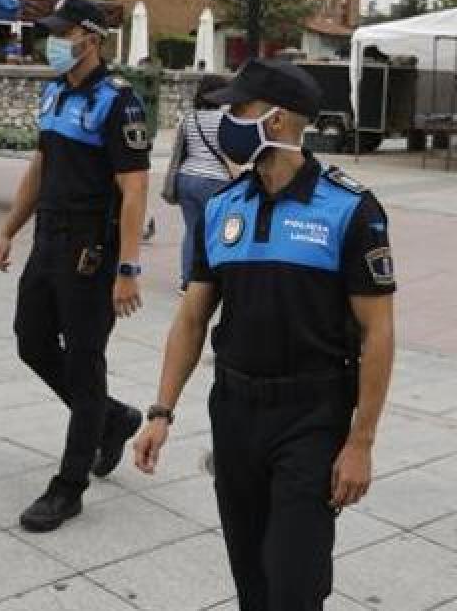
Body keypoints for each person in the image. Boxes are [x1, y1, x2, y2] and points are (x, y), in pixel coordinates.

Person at [134, 58, 397, 610]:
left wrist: (361, 442)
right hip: (233, 410)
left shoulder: (350, 210)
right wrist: (161, 411)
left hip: (311, 415)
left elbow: (378, 333)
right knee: (251, 574)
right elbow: (192, 316)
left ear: (276, 122)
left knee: (295, 581)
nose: (225, 117)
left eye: (238, 108)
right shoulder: (223, 207)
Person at [0, 0, 151, 532]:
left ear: (92, 38)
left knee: (84, 363)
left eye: (63, 33)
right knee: (30, 340)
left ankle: (69, 486)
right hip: (49, 239)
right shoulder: (54, 91)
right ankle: (114, 418)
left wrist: (128, 268)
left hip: (90, 249)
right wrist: (9, 229)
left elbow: (134, 189)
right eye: (51, 33)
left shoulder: (119, 101)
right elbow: (41, 165)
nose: (53, 42)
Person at [174, 75, 233, 291]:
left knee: (191, 230)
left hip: (186, 177)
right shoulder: (225, 119)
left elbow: (182, 148)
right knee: (217, 231)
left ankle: (187, 280)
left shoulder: (189, 118)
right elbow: (230, 152)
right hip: (215, 180)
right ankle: (212, 280)